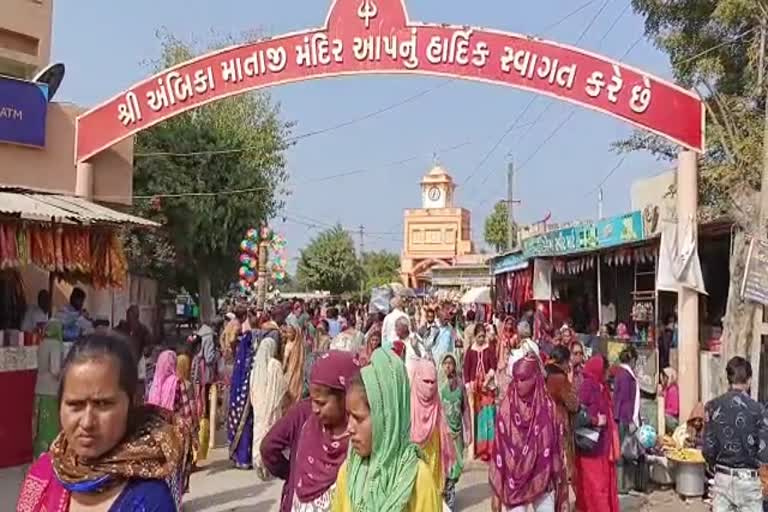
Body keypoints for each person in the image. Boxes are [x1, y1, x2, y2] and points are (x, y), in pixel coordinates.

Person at [17, 335, 188, 512]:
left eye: (103, 404)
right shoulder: (44, 474)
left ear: (133, 404)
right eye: (75, 405)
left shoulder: (149, 499)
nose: (87, 422)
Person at [331, 349, 441, 511]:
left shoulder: (417, 479)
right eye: (349, 416)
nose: (350, 428)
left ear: (385, 421)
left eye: (359, 418)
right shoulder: (348, 473)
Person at [261, 351, 361, 512]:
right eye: (313, 401)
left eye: (321, 403)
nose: (314, 409)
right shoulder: (307, 425)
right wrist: (291, 473)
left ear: (346, 397)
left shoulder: (360, 438)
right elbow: (268, 447)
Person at [491, 355, 567, 512]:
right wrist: (497, 494)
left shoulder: (547, 408)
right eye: (516, 379)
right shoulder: (507, 409)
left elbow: (555, 448)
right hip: (514, 483)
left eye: (524, 379)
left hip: (543, 477)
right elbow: (500, 450)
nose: (519, 384)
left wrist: (559, 483)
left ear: (535, 378)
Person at [703, 356, 768, 512]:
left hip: (722, 480)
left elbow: (708, 449)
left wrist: (716, 466)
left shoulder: (712, 406)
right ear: (749, 380)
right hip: (749, 482)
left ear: (728, 379)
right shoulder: (758, 410)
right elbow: (764, 453)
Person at [574, 355, 619, 512]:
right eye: (605, 370)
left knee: (603, 487)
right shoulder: (587, 386)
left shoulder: (602, 387)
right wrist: (595, 420)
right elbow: (577, 414)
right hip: (590, 449)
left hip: (602, 448)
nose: (607, 374)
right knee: (594, 489)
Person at [410, 360, 456, 494]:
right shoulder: (408, 406)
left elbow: (444, 438)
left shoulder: (437, 406)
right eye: (426, 381)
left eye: (432, 382)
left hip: (433, 453)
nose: (430, 386)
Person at [250, 336, 289, 480]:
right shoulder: (274, 365)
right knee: (270, 430)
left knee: (259, 431)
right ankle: (268, 464)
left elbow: (252, 389)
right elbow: (281, 387)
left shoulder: (256, 367)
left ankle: (258, 461)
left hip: (259, 405)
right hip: (271, 405)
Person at [545, 346, 579, 503]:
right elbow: (573, 404)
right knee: (562, 468)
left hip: (542, 423)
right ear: (564, 361)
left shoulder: (542, 373)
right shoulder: (560, 378)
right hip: (559, 423)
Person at [438, 353, 472, 511]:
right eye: (445, 364)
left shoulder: (461, 386)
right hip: (444, 434)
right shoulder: (439, 386)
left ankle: (449, 493)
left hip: (457, 433)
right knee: (445, 467)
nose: (448, 367)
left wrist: (469, 430)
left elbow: (465, 409)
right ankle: (447, 499)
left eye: (451, 363)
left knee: (457, 467)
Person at [463, 323, 497, 462]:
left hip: (487, 388)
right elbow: (466, 369)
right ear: (475, 336)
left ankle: (489, 448)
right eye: (479, 336)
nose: (481, 339)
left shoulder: (489, 349)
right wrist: (468, 385)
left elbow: (493, 366)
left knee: (488, 416)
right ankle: (477, 448)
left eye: (483, 336)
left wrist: (487, 378)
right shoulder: (471, 351)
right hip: (474, 389)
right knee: (475, 417)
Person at [33, 321, 64, 458]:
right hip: (51, 391)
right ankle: (51, 456)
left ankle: (39, 455)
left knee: (41, 427)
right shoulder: (56, 345)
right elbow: (55, 370)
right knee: (51, 427)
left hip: (39, 390)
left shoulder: (42, 344)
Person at [227, 329, 258, 469]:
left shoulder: (241, 359)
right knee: (246, 427)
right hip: (247, 399)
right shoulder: (252, 358)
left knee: (242, 427)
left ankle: (241, 458)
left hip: (238, 399)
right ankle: (245, 458)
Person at [614, 345, 640, 494]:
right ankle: (623, 485)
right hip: (624, 418)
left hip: (624, 417)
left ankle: (624, 485)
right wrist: (630, 420)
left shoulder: (623, 373)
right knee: (625, 451)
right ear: (632, 359)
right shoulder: (625, 375)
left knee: (625, 450)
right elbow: (624, 400)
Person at [283, 324, 307, 404]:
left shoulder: (296, 345)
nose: (288, 335)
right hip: (291, 372)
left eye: (290, 332)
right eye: (287, 332)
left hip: (298, 372)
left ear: (295, 333)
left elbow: (285, 362)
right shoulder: (298, 345)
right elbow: (285, 362)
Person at [660, 367, 680, 434]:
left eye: (665, 377)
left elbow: (675, 411)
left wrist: (663, 411)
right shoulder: (666, 389)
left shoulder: (673, 390)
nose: (663, 378)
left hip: (672, 420)